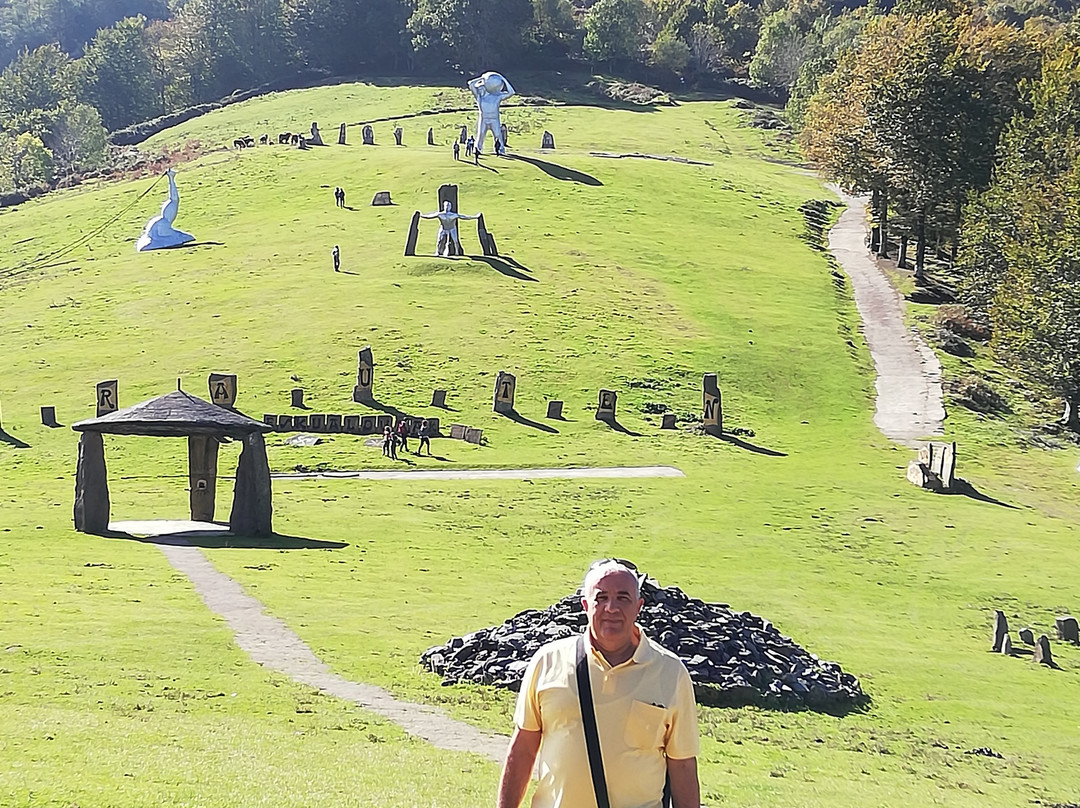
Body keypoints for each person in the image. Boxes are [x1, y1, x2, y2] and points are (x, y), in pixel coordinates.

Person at [496, 560, 701, 808]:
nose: (611, 608)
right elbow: (523, 749)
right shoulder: (548, 661)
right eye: (601, 598)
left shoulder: (671, 673)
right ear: (585, 606)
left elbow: (682, 765)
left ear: (638, 607)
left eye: (622, 598)